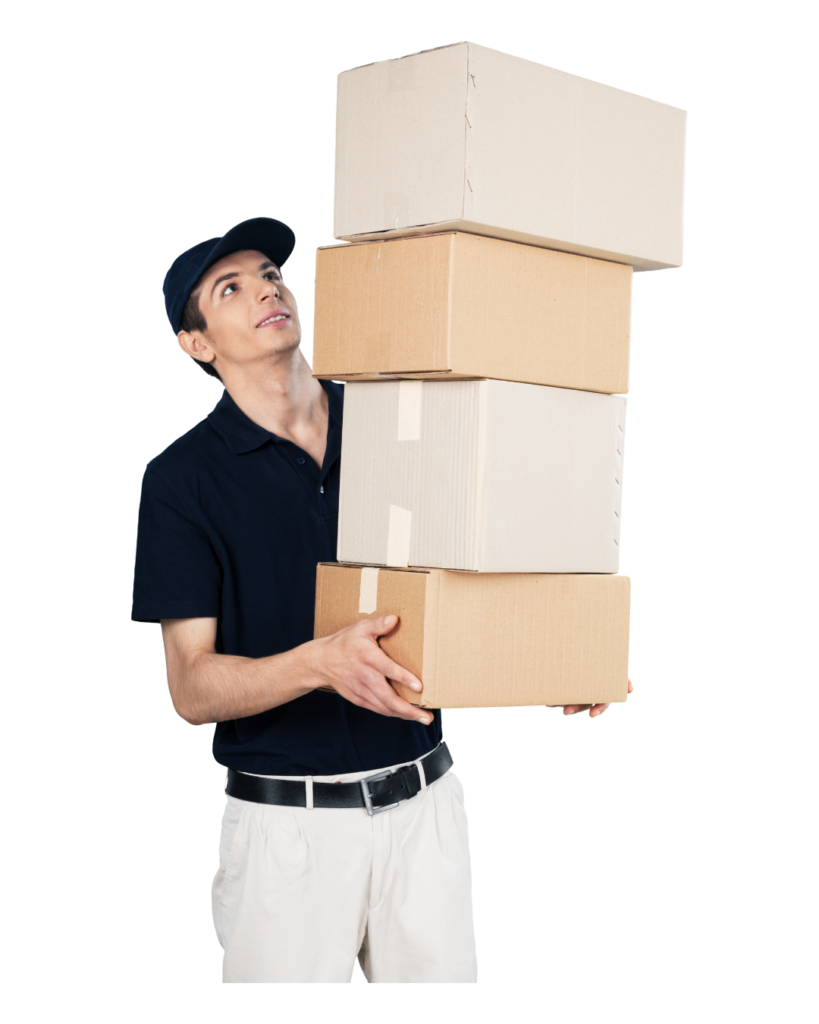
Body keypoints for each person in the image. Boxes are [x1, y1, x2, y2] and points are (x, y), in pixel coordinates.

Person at [131, 216, 632, 985]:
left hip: (423, 811)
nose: (266, 290)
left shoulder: (402, 417)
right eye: (230, 289)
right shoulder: (181, 479)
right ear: (195, 343)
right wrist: (319, 664)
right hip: (287, 838)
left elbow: (469, 573)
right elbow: (191, 688)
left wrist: (549, 661)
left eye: (271, 274)